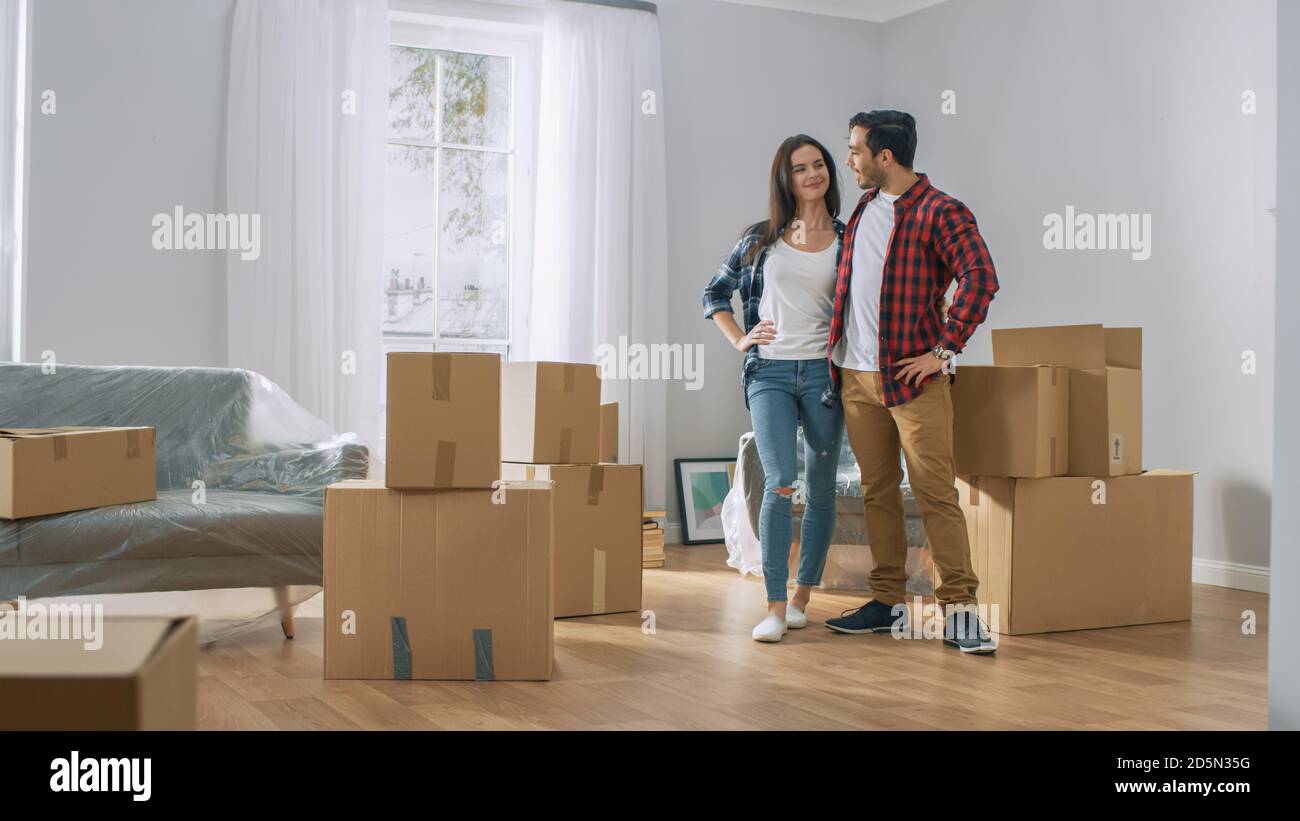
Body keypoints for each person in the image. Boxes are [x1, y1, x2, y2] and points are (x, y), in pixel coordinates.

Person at [822, 110, 1000, 654]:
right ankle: (887, 603)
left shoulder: (942, 211)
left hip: (912, 379)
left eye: (855, 150)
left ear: (884, 156)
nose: (847, 159)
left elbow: (981, 277)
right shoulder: (862, 209)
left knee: (935, 494)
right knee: (878, 492)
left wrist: (943, 351)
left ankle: (962, 613)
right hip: (856, 376)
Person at [703, 135, 846, 643]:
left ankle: (805, 594)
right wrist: (741, 339)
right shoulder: (761, 238)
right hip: (770, 374)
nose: (811, 174)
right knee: (781, 478)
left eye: (818, 165)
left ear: (829, 172)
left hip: (826, 376)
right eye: (799, 168)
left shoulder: (850, 239)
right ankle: (775, 606)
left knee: (822, 488)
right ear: (785, 179)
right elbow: (714, 294)